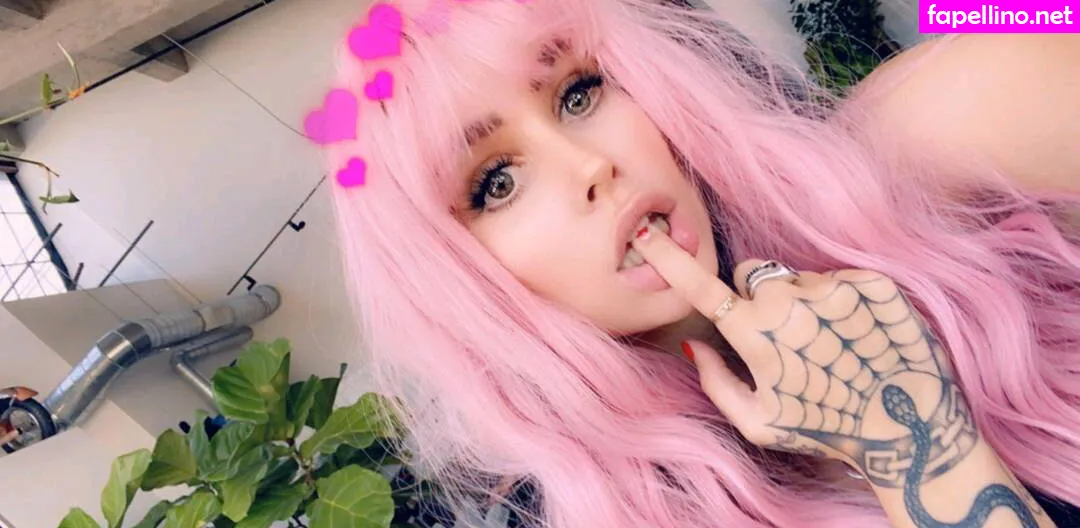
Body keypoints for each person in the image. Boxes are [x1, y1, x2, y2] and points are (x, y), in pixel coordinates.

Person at [318, 0, 1080, 526]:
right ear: (457, 281)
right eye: (497, 182)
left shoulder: (927, 146)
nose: (589, 165)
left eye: (579, 93)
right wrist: (910, 440)